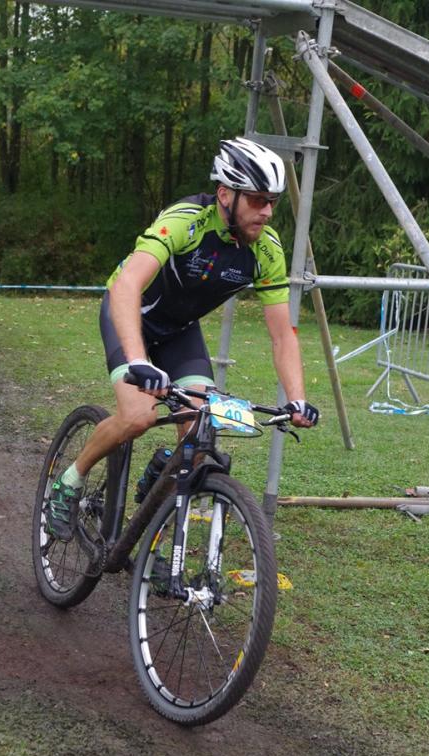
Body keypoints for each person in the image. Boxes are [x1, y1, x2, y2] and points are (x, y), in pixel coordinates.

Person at [47, 137, 319, 542]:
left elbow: (283, 334)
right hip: (130, 315)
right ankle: (69, 481)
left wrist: (296, 399)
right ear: (225, 194)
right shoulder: (186, 220)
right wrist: (138, 360)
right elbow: (127, 285)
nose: (267, 211)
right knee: (139, 415)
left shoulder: (266, 250)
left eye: (272, 202)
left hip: (179, 331)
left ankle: (158, 518)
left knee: (198, 428)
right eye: (257, 200)